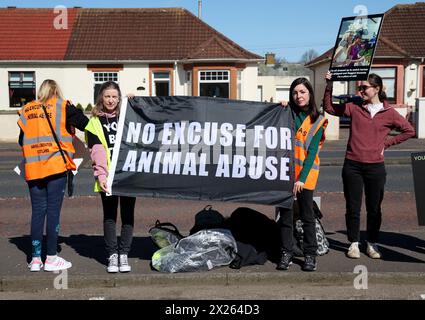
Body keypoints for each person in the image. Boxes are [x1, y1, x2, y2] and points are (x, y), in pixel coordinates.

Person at [323, 71, 415, 259]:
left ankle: (372, 243)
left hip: (375, 167)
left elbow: (409, 130)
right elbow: (329, 108)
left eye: (364, 87)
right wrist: (329, 85)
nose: (361, 91)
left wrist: (386, 144)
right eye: (360, 87)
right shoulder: (354, 107)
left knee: (374, 208)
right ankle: (354, 243)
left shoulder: (389, 113)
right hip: (352, 165)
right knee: (353, 207)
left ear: (377, 89)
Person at [17, 79, 89, 272]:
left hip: (33, 168)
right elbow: (86, 124)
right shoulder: (63, 107)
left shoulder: (27, 110)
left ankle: (35, 260)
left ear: (40, 91)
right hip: (56, 166)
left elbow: (21, 140)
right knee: (53, 212)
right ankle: (50, 258)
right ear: (57, 90)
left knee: (38, 212)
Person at [277, 78, 328, 272]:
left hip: (305, 175)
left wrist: (301, 179)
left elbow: (312, 153)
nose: (299, 96)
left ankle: (310, 255)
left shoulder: (317, 120)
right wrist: (281, 105)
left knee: (307, 216)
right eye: (295, 93)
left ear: (310, 94)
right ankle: (286, 252)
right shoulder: (285, 113)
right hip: (285, 173)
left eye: (303, 92)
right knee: (286, 216)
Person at [85, 81, 136, 273]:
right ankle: (112, 255)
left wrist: (135, 101)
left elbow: (148, 118)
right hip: (107, 178)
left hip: (128, 175)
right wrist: (102, 176)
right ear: (101, 98)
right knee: (110, 217)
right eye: (107, 96)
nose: (111, 100)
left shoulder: (127, 116)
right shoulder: (94, 123)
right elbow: (97, 152)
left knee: (128, 216)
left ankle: (124, 254)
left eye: (115, 96)